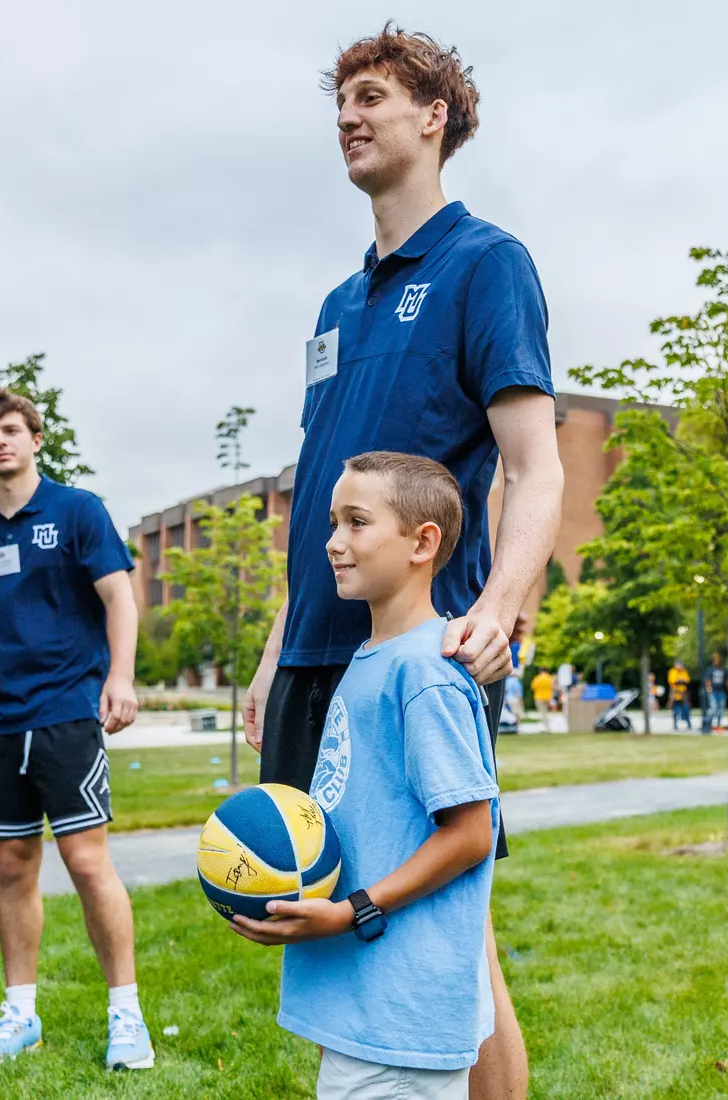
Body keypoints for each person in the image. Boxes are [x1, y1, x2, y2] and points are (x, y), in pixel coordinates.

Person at [241, 24, 563, 1099]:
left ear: (435, 117)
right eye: (340, 98)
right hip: (316, 650)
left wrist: (503, 607)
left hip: (420, 644)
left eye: (371, 94)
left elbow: (534, 460)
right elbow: (319, 484)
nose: (349, 114)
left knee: (453, 936)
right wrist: (275, 644)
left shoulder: (486, 263)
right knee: (338, 912)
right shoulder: (337, 305)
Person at [233, 453, 500, 1099]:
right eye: (331, 522)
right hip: (368, 1000)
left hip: (401, 1013)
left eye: (356, 522)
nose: (332, 542)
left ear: (422, 542)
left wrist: (352, 911)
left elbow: (471, 835)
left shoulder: (422, 673)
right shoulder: (375, 656)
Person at [0, 390, 153, 1071]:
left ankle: (126, 1016)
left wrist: (122, 678)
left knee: (85, 862)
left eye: (10, 429)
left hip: (68, 712)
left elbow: (118, 598)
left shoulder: (78, 511)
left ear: (34, 437)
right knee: (12, 866)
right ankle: (20, 1014)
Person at [705, 652, 728, 733]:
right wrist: (709, 690)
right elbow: (707, 680)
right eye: (715, 659)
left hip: (721, 692)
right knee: (713, 708)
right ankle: (708, 723)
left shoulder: (724, 669)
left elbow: (727, 681)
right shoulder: (710, 669)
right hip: (713, 692)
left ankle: (719, 725)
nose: (716, 661)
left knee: (721, 709)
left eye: (718, 659)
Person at [668, 660, 693, 731]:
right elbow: (672, 681)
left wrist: (680, 681)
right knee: (675, 711)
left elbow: (687, 680)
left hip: (683, 694)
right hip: (675, 694)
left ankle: (689, 724)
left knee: (686, 709)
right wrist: (680, 680)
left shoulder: (684, 671)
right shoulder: (672, 671)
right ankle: (675, 725)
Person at [530, 667, 555, 732]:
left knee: (542, 713)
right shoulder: (550, 678)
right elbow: (553, 687)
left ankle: (545, 727)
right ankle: (547, 726)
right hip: (548, 697)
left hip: (539, 697)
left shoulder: (538, 678)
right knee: (546, 712)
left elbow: (533, 687)